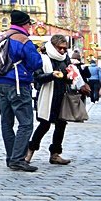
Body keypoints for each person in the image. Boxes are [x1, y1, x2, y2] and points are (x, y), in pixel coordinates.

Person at [0, 10, 44, 172]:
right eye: (30, 24)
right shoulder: (23, 40)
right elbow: (36, 63)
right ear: (25, 24)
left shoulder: (1, 36)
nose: (30, 27)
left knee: (6, 122)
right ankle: (17, 159)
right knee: (26, 123)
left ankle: (11, 157)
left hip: (0, 84)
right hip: (18, 84)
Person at [26, 35, 74, 166]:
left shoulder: (65, 58)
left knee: (61, 125)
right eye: (60, 48)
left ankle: (55, 154)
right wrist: (51, 75)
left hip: (61, 95)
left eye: (65, 48)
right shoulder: (42, 58)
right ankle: (29, 152)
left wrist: (70, 76)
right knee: (44, 125)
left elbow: (69, 76)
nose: (63, 51)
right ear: (53, 46)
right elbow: (37, 77)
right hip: (46, 96)